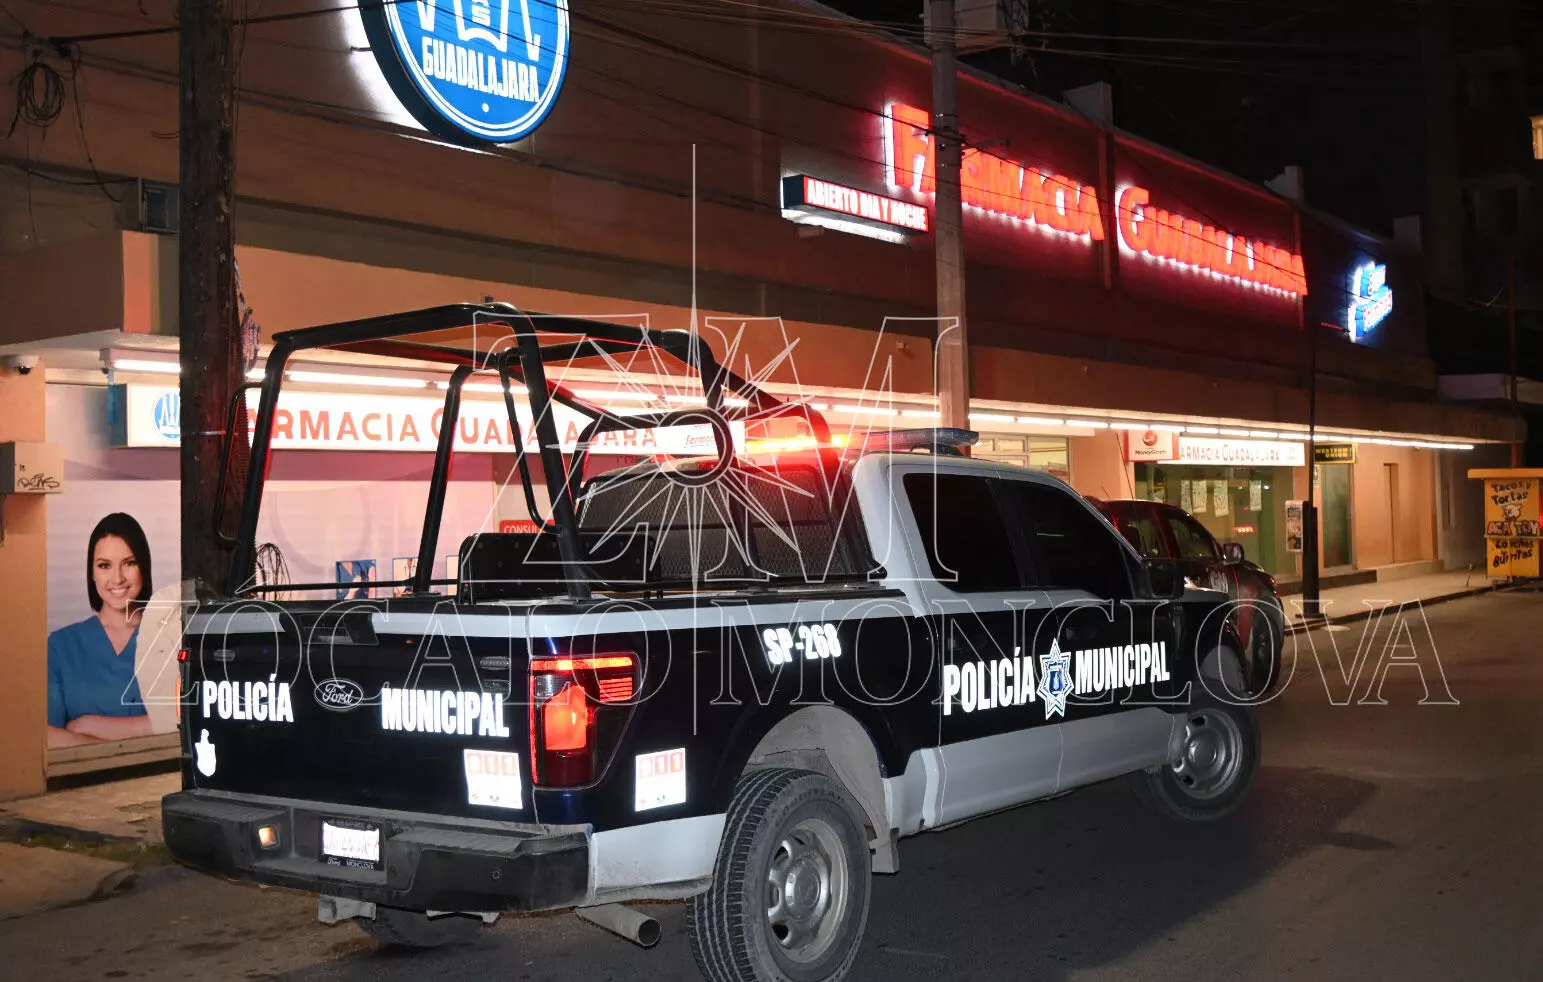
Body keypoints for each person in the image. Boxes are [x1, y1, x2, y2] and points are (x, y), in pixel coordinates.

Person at [47, 513, 157, 748]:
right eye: (104, 565)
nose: (117, 578)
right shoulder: (60, 646)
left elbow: (184, 724)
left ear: (144, 567)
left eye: (129, 563)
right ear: (92, 573)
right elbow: (47, 738)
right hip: (81, 773)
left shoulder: (171, 638)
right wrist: (147, 729)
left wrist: (91, 725)